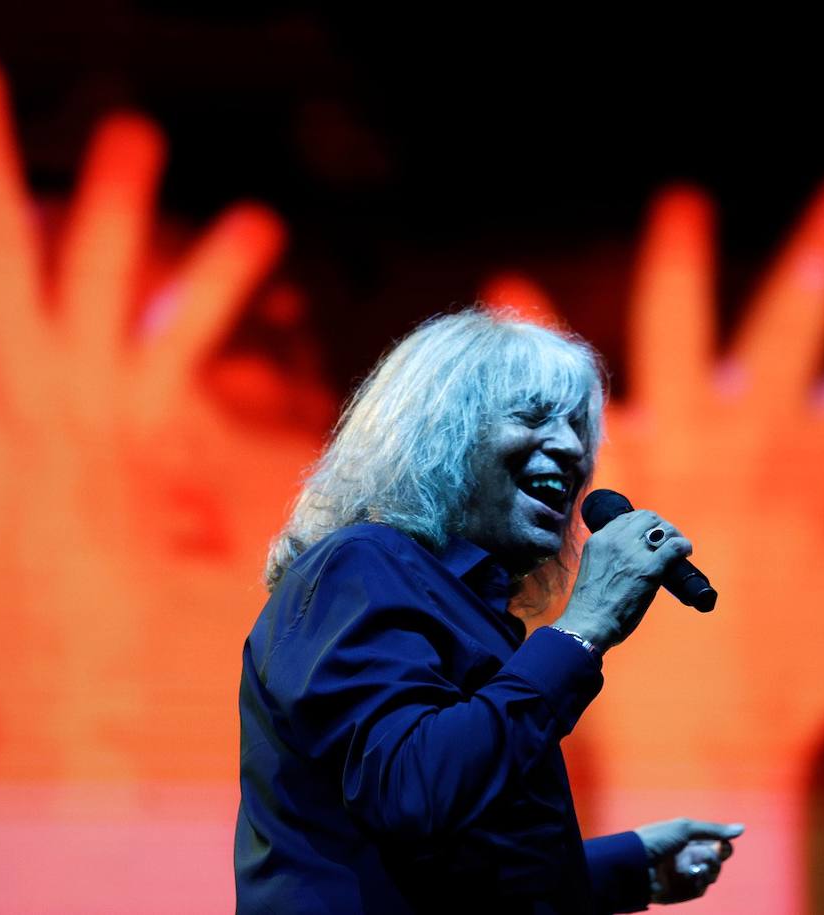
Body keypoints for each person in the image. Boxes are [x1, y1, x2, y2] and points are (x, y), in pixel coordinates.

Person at [235, 309, 743, 913]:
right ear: (440, 435)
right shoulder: (363, 565)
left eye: (579, 427)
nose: (571, 446)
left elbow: (447, 862)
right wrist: (585, 628)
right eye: (532, 417)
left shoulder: (474, 609)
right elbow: (412, 792)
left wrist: (630, 869)